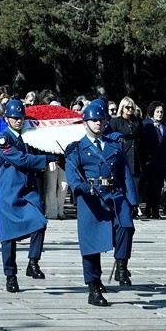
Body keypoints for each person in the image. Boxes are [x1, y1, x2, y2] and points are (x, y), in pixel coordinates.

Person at [64, 100, 138, 306]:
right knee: (91, 245)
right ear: (85, 123)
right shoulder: (76, 148)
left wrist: (133, 200)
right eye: (94, 120)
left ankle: (122, 265)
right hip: (92, 199)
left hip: (114, 195)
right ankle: (94, 287)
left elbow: (125, 174)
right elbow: (72, 176)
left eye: (101, 120)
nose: (98, 123)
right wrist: (81, 187)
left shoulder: (114, 145)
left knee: (126, 227)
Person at [0, 100, 54, 293]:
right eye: (14, 118)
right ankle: (10, 275)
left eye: (21, 118)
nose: (18, 121)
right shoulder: (4, 138)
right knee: (8, 238)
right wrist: (47, 159)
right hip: (10, 194)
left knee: (40, 222)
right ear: (7, 119)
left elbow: (38, 148)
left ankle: (33, 262)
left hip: (28, 192)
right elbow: (21, 159)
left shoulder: (29, 137)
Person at [138, 101, 166, 219]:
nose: (160, 114)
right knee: (151, 186)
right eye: (157, 111)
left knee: (159, 186)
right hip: (150, 161)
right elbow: (142, 144)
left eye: (162, 112)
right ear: (152, 112)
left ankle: (155, 210)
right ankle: (149, 208)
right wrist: (145, 159)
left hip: (162, 161)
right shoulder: (146, 124)